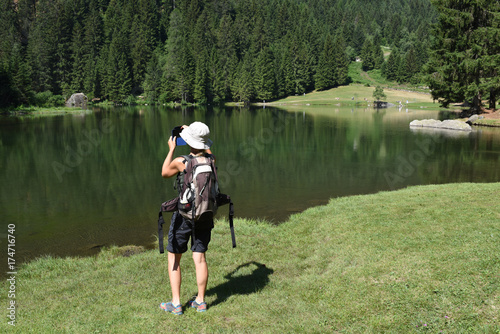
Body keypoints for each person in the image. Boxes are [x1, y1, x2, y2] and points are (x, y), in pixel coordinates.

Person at [159, 121, 214, 315]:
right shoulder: (211, 160)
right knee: (199, 257)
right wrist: (193, 134)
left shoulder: (181, 161)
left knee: (174, 256)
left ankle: (175, 303)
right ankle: (200, 301)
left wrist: (172, 148)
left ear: (188, 141)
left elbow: (165, 172)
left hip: (184, 215)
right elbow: (206, 149)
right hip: (205, 213)